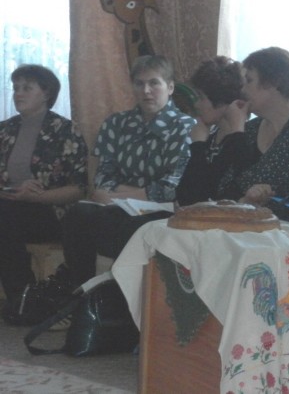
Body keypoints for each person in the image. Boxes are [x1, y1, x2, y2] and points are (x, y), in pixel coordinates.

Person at [60, 55, 195, 288]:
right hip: (117, 206)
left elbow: (170, 188)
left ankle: (121, 297)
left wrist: (118, 195)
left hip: (162, 210)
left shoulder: (185, 126)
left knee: (126, 226)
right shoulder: (116, 123)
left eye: (154, 83)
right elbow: (103, 176)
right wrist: (121, 196)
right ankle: (82, 292)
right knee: (77, 215)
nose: (146, 90)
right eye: (139, 83)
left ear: (170, 87)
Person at [0, 65, 88, 325]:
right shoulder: (4, 130)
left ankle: (24, 300)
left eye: (27, 88)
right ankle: (24, 299)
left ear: (46, 93)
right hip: (9, 207)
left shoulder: (65, 130)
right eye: (16, 88)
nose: (18, 93)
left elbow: (79, 188)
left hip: (50, 212)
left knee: (4, 217)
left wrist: (34, 197)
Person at [215, 47, 289, 205]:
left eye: (249, 81)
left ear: (274, 82)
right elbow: (221, 188)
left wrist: (237, 130)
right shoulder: (252, 128)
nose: (242, 89)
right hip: (253, 217)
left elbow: (256, 181)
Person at [175, 56, 249, 206]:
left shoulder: (242, 141)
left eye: (201, 98)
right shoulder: (211, 137)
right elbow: (185, 197)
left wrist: (198, 145)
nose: (196, 105)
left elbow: (206, 196)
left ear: (221, 101)